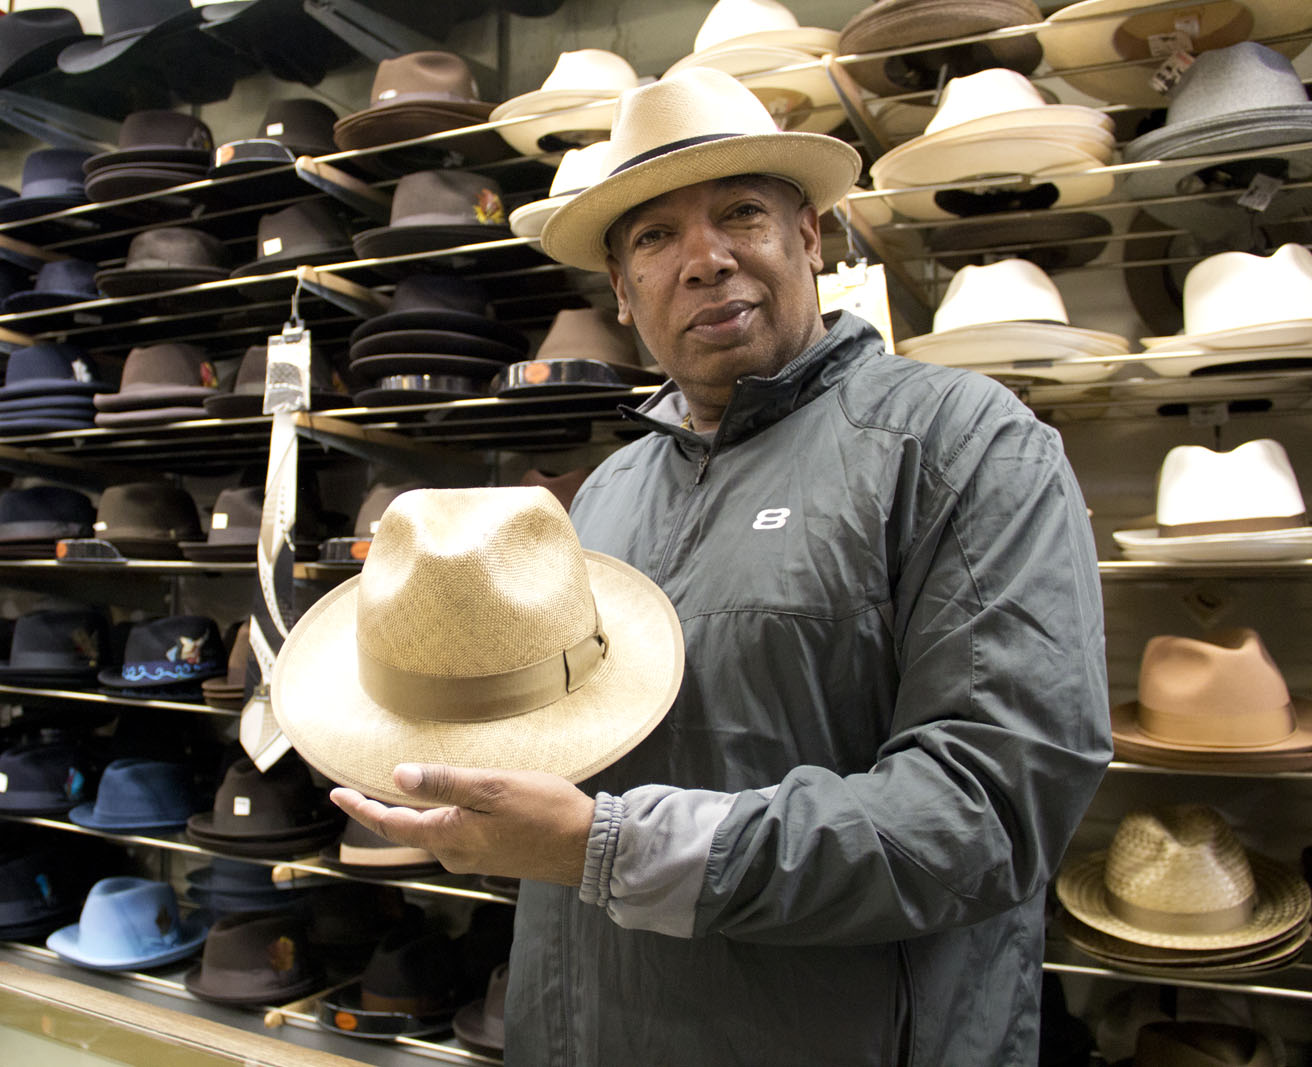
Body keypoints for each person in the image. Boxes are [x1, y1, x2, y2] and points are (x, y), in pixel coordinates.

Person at [330, 67, 1111, 1065]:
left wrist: (605, 847)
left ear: (809, 238)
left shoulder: (961, 446)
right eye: (653, 236)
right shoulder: (606, 496)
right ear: (621, 287)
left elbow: (991, 805)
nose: (703, 259)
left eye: (740, 211)